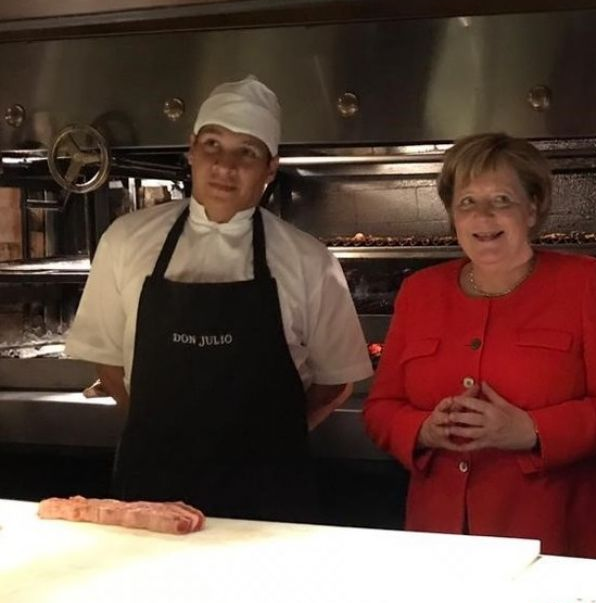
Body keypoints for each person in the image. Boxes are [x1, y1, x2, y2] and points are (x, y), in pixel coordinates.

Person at [65, 76, 371, 522]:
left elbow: (337, 379)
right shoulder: (127, 241)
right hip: (153, 490)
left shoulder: (309, 259)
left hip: (269, 494)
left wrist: (274, 439)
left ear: (270, 168)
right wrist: (157, 430)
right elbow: (106, 359)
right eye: (212, 144)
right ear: (191, 150)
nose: (224, 165)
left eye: (246, 151)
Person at [363, 133, 596, 559]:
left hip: (558, 538)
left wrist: (530, 431)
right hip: (441, 539)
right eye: (467, 202)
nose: (483, 215)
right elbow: (381, 407)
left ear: (532, 208)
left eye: (501, 199)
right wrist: (420, 429)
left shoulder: (584, 281)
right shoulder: (419, 291)